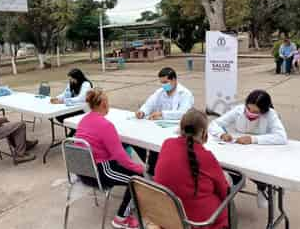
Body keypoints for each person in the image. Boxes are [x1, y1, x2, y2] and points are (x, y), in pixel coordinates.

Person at [75, 88, 144, 229]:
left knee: (130, 170)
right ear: (104, 104)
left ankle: (132, 205)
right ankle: (121, 219)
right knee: (138, 180)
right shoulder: (106, 125)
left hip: (82, 170)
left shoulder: (84, 120)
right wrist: (139, 168)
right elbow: (120, 158)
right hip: (98, 172)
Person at [209, 90, 287, 208]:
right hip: (239, 150)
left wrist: (253, 139)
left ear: (264, 111)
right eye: (248, 109)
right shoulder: (239, 110)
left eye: (255, 112)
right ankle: (233, 186)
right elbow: (215, 124)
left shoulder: (271, 115)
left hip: (261, 153)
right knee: (229, 168)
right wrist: (221, 134)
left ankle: (262, 188)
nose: (250, 113)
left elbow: (281, 137)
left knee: (259, 170)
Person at [154, 109, 229, 229]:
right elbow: (224, 192)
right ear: (204, 133)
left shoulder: (167, 144)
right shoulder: (206, 156)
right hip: (198, 221)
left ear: (180, 127)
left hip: (167, 214)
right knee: (228, 203)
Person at [134, 67, 194, 176]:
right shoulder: (160, 92)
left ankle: (161, 171)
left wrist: (162, 114)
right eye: (161, 83)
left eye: (165, 82)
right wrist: (142, 111)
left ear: (174, 80)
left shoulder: (185, 94)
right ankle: (154, 170)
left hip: (176, 130)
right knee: (144, 143)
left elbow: (183, 113)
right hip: (160, 128)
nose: (163, 85)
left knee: (164, 151)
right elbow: (149, 103)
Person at [50, 68, 93, 136]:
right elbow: (65, 94)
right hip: (74, 107)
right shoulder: (71, 83)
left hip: (84, 109)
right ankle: (75, 130)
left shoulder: (86, 84)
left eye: (71, 79)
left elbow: (80, 99)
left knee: (63, 116)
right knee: (58, 116)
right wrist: (56, 98)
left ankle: (76, 131)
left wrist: (63, 101)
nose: (70, 80)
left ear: (77, 78)